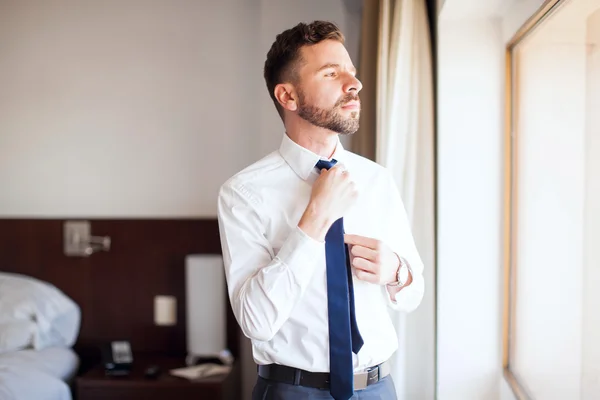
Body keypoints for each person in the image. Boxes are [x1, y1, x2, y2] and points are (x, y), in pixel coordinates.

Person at [217, 20, 424, 400]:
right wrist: (314, 220)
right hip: (291, 391)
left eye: (353, 73)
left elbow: (414, 293)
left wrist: (397, 271)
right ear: (289, 96)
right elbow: (256, 321)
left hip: (378, 388)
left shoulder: (377, 180)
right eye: (332, 74)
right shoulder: (243, 193)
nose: (354, 84)